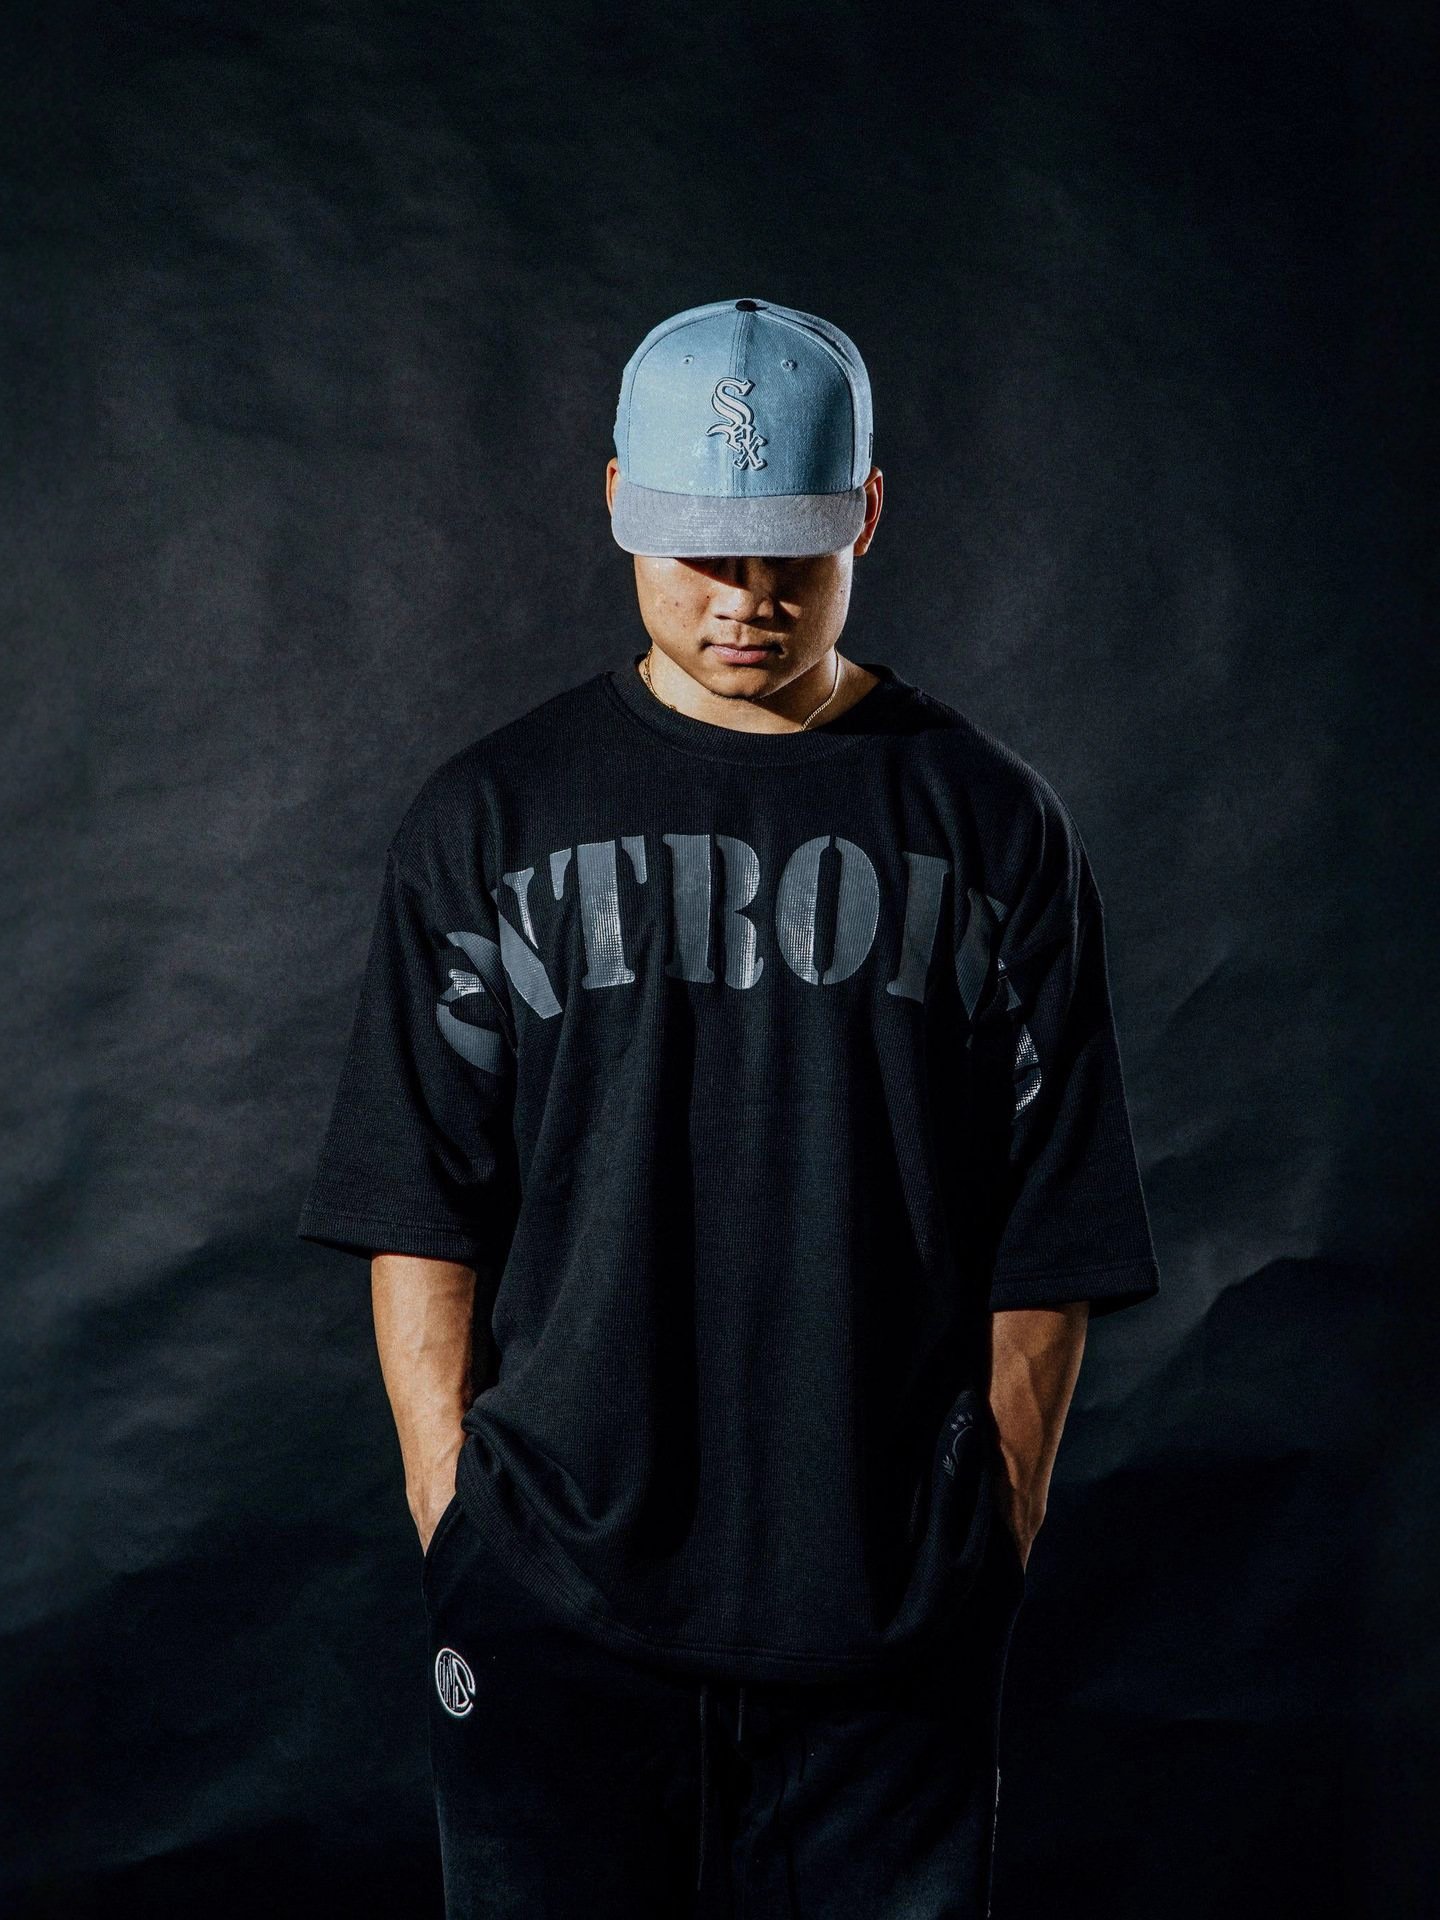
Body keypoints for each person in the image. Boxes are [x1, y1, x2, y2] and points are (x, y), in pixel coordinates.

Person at [297, 296, 1161, 1918]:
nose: (747, 600)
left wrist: (991, 1525)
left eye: (791, 555)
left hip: (887, 1614)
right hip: (552, 1600)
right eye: (705, 552)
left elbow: (1052, 1219)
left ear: (867, 516)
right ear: (619, 502)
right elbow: (419, 1195)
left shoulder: (992, 826)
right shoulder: (491, 817)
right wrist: (453, 1514)